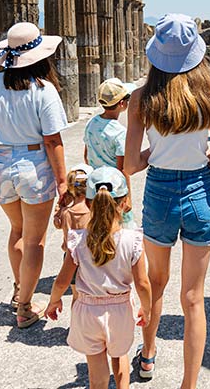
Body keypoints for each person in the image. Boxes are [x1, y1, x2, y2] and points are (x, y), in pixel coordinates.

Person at [123, 13, 210, 388]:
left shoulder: (141, 98)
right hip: (199, 191)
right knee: (193, 299)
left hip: (159, 194)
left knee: (155, 283)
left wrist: (158, 150)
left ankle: (149, 356)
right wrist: (200, 155)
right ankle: (189, 384)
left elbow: (133, 164)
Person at [0, 22, 69, 329]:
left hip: (1, 163)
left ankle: (21, 289)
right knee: (35, 241)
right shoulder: (43, 90)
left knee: (17, 230)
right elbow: (52, 141)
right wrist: (63, 182)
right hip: (34, 166)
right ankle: (25, 308)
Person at [46, 167, 152, 389]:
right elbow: (142, 283)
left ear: (87, 202)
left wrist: (54, 300)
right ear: (124, 203)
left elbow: (63, 280)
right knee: (120, 357)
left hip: (88, 312)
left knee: (97, 371)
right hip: (120, 311)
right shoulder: (132, 240)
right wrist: (147, 308)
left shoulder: (78, 240)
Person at [85, 78, 136, 227]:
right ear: (121, 104)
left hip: (95, 184)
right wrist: (128, 197)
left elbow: (86, 155)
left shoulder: (91, 123)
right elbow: (123, 169)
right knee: (122, 226)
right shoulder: (120, 132)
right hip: (115, 188)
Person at [54, 165, 93, 252]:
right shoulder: (93, 213)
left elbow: (57, 224)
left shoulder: (65, 212)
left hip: (69, 257)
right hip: (89, 258)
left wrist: (60, 206)